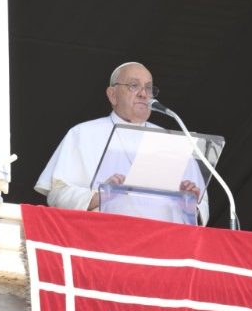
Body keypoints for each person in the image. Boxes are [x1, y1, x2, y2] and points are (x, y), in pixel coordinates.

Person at [34, 62, 209, 225]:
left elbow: (200, 209)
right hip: (105, 239)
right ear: (112, 95)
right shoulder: (83, 134)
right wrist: (100, 196)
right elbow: (58, 194)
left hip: (164, 246)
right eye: (134, 86)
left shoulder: (172, 143)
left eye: (148, 88)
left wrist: (189, 204)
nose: (143, 94)